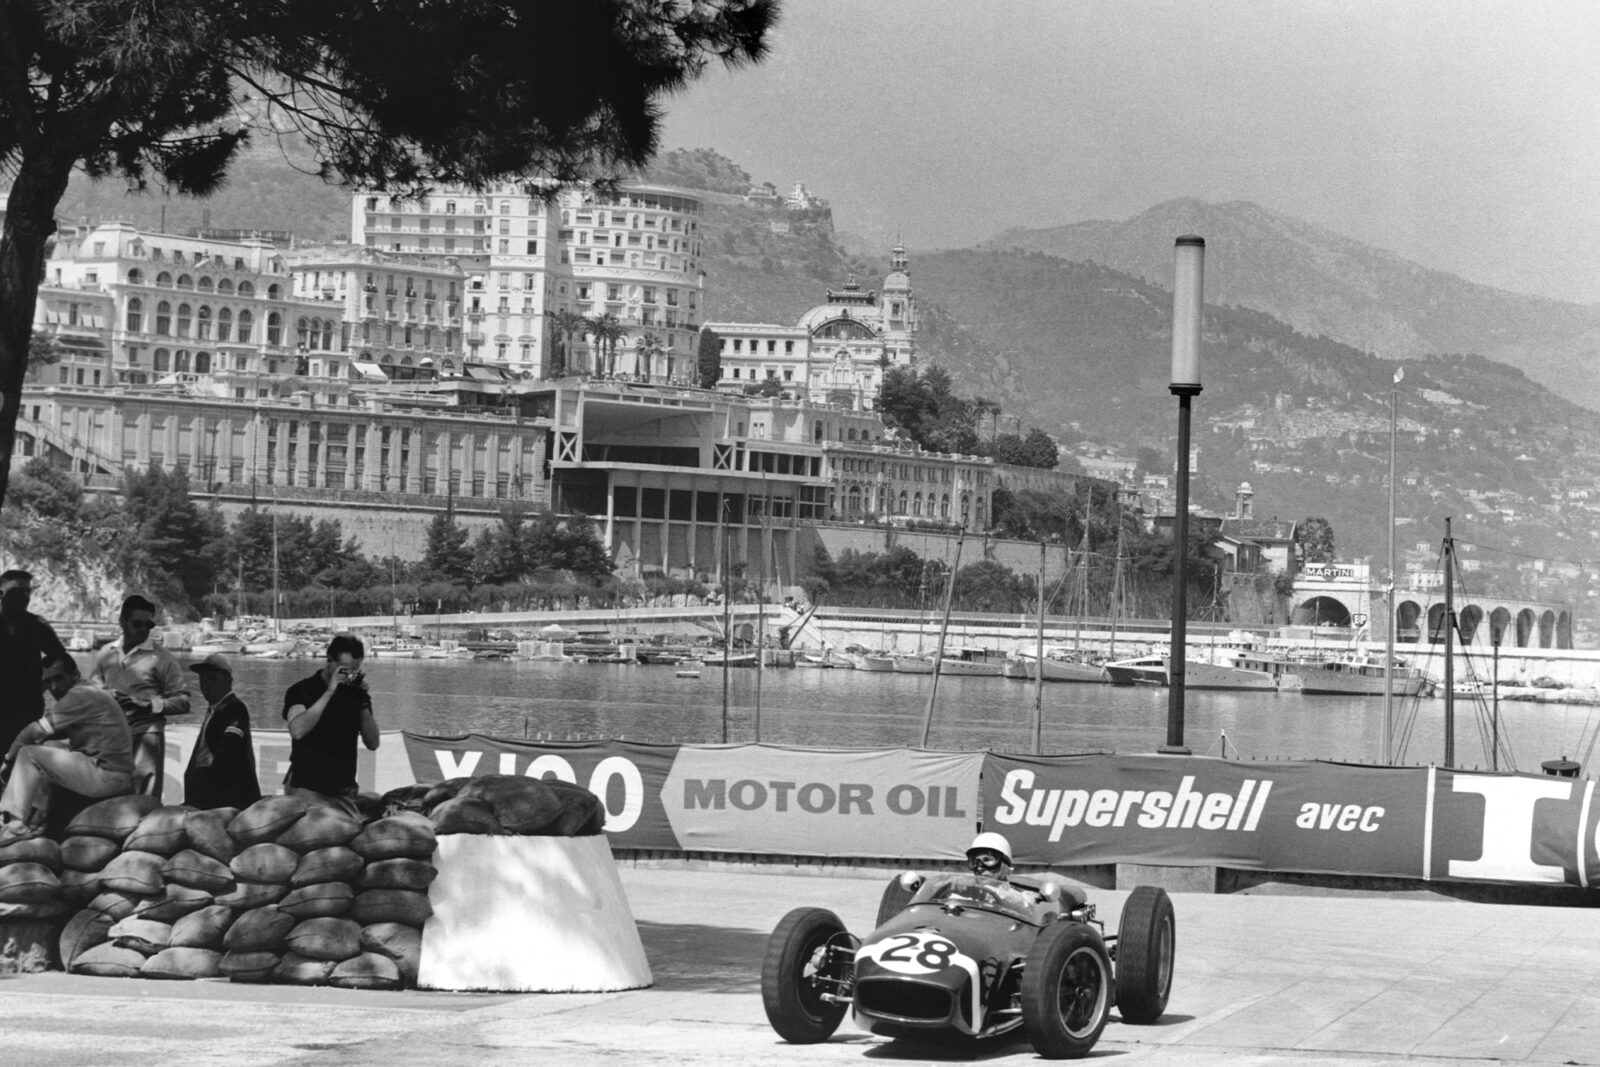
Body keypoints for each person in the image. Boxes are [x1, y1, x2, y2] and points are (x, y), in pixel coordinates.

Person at [0, 655, 134, 846]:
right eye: (48, 682)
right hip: (111, 772)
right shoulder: (89, 691)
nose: (54, 687)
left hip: (109, 776)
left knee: (28, 753)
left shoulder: (78, 695)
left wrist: (7, 761)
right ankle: (38, 818)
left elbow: (33, 731)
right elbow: (48, 735)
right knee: (48, 748)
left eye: (59, 678)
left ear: (75, 674)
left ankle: (16, 826)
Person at [89, 594, 191, 797]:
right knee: (108, 798)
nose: (144, 629)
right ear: (122, 622)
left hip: (147, 734)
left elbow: (183, 702)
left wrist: (146, 705)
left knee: (144, 800)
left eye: (149, 624)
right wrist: (106, 696)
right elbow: (92, 693)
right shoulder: (105, 653)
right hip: (111, 736)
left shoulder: (163, 658)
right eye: (138, 623)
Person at [283, 634, 378, 816]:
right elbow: (297, 730)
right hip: (307, 787)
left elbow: (373, 743)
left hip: (342, 790)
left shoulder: (354, 695)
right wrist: (329, 692)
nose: (350, 676)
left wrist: (363, 701)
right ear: (329, 661)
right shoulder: (301, 690)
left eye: (355, 671)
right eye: (345, 670)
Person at [0, 569, 69, 759]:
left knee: (20, 764)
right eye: (18, 591)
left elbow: (61, 660)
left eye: (28, 592)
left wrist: (47, 685)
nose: (25, 596)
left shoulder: (37, 625)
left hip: (28, 708)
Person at [183, 653, 261, 810]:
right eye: (202, 679)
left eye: (211, 678)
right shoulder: (213, 710)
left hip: (226, 798)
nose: (205, 684)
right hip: (205, 795)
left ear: (228, 680)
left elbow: (227, 752)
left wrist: (207, 790)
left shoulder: (235, 708)